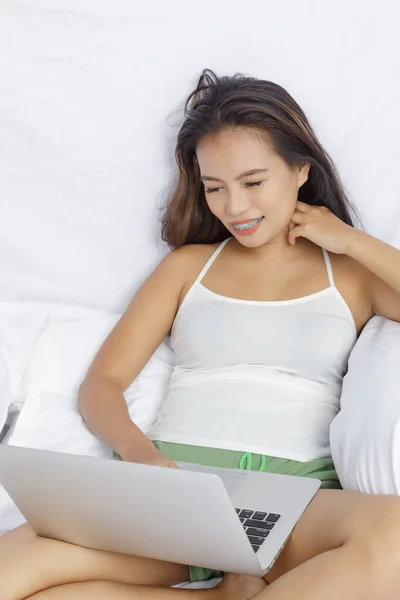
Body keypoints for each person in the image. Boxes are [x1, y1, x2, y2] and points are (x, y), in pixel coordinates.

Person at [2, 68, 400, 600]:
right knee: (14, 566)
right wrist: (140, 457)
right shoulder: (188, 266)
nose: (235, 208)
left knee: (395, 537)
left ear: (301, 169)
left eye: (253, 182)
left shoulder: (350, 274)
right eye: (215, 188)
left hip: (287, 506)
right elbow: (102, 384)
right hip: (171, 495)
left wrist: (351, 240)